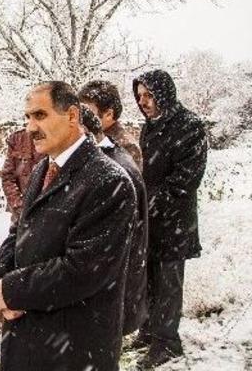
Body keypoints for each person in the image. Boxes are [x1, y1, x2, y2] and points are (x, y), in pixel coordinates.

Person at [0, 82, 135, 371]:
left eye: (40, 116)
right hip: (27, 337)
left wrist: (13, 290)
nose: (30, 127)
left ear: (71, 116)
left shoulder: (108, 182)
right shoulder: (43, 169)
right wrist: (1, 280)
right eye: (27, 117)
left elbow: (83, 269)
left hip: (73, 349)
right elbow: (18, 231)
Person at [133, 70, 208, 368]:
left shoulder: (190, 126)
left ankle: (168, 342)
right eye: (139, 96)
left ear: (164, 93)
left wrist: (152, 201)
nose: (143, 102)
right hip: (151, 219)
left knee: (168, 281)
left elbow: (187, 178)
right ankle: (149, 330)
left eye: (149, 95)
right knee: (148, 277)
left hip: (175, 219)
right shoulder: (149, 127)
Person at [80, 104, 149, 337]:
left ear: (82, 132)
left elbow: (104, 248)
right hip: (105, 293)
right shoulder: (108, 158)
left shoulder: (114, 171)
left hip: (109, 295)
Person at [78, 79, 143, 169]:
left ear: (108, 114)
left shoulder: (126, 146)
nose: (82, 117)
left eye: (88, 112)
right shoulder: (88, 136)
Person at [0, 128, 44, 223]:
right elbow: (7, 177)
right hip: (21, 217)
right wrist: (19, 206)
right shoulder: (18, 138)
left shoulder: (67, 137)